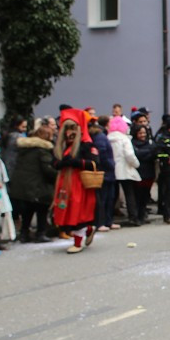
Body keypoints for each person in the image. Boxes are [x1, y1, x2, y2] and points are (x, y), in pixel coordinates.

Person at [52, 109, 100, 254]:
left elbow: (95, 163)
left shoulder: (86, 145)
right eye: (66, 129)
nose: (69, 132)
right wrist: (61, 163)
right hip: (64, 185)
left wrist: (76, 162)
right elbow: (54, 163)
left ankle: (78, 243)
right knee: (66, 211)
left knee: (78, 212)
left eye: (73, 128)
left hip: (80, 184)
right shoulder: (62, 146)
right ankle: (89, 229)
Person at [10, 122, 57, 242]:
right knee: (42, 208)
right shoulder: (42, 150)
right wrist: (57, 176)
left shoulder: (25, 148)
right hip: (38, 184)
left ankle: (24, 233)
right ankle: (40, 233)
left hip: (24, 184)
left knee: (28, 210)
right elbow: (47, 169)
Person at [108, 116, 141, 227]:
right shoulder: (124, 139)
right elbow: (129, 154)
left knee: (113, 194)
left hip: (112, 169)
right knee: (129, 194)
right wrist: (136, 164)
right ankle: (133, 217)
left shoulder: (108, 138)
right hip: (124, 169)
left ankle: (109, 217)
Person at [90, 117, 119, 232]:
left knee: (109, 198)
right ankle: (101, 222)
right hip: (105, 172)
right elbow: (102, 154)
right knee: (104, 199)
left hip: (107, 172)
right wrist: (111, 164)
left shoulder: (100, 136)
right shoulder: (101, 137)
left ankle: (108, 221)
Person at [131, 124, 156, 225]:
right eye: (140, 133)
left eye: (144, 133)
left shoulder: (150, 142)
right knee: (137, 196)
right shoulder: (132, 143)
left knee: (145, 197)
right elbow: (136, 155)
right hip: (138, 173)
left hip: (149, 173)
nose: (142, 135)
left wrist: (144, 153)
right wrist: (148, 152)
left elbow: (155, 153)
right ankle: (136, 217)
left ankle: (142, 215)